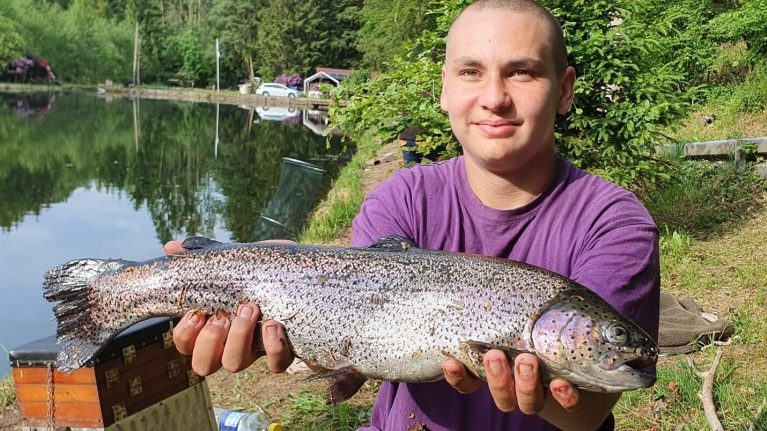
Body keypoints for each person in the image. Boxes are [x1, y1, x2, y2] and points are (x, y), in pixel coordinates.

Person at [168, 0, 660, 430]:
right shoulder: (402, 197)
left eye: (522, 71)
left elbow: (590, 414)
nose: (494, 97)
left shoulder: (615, 222)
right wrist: (272, 314)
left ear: (565, 90)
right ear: (445, 90)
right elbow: (353, 314)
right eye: (471, 72)